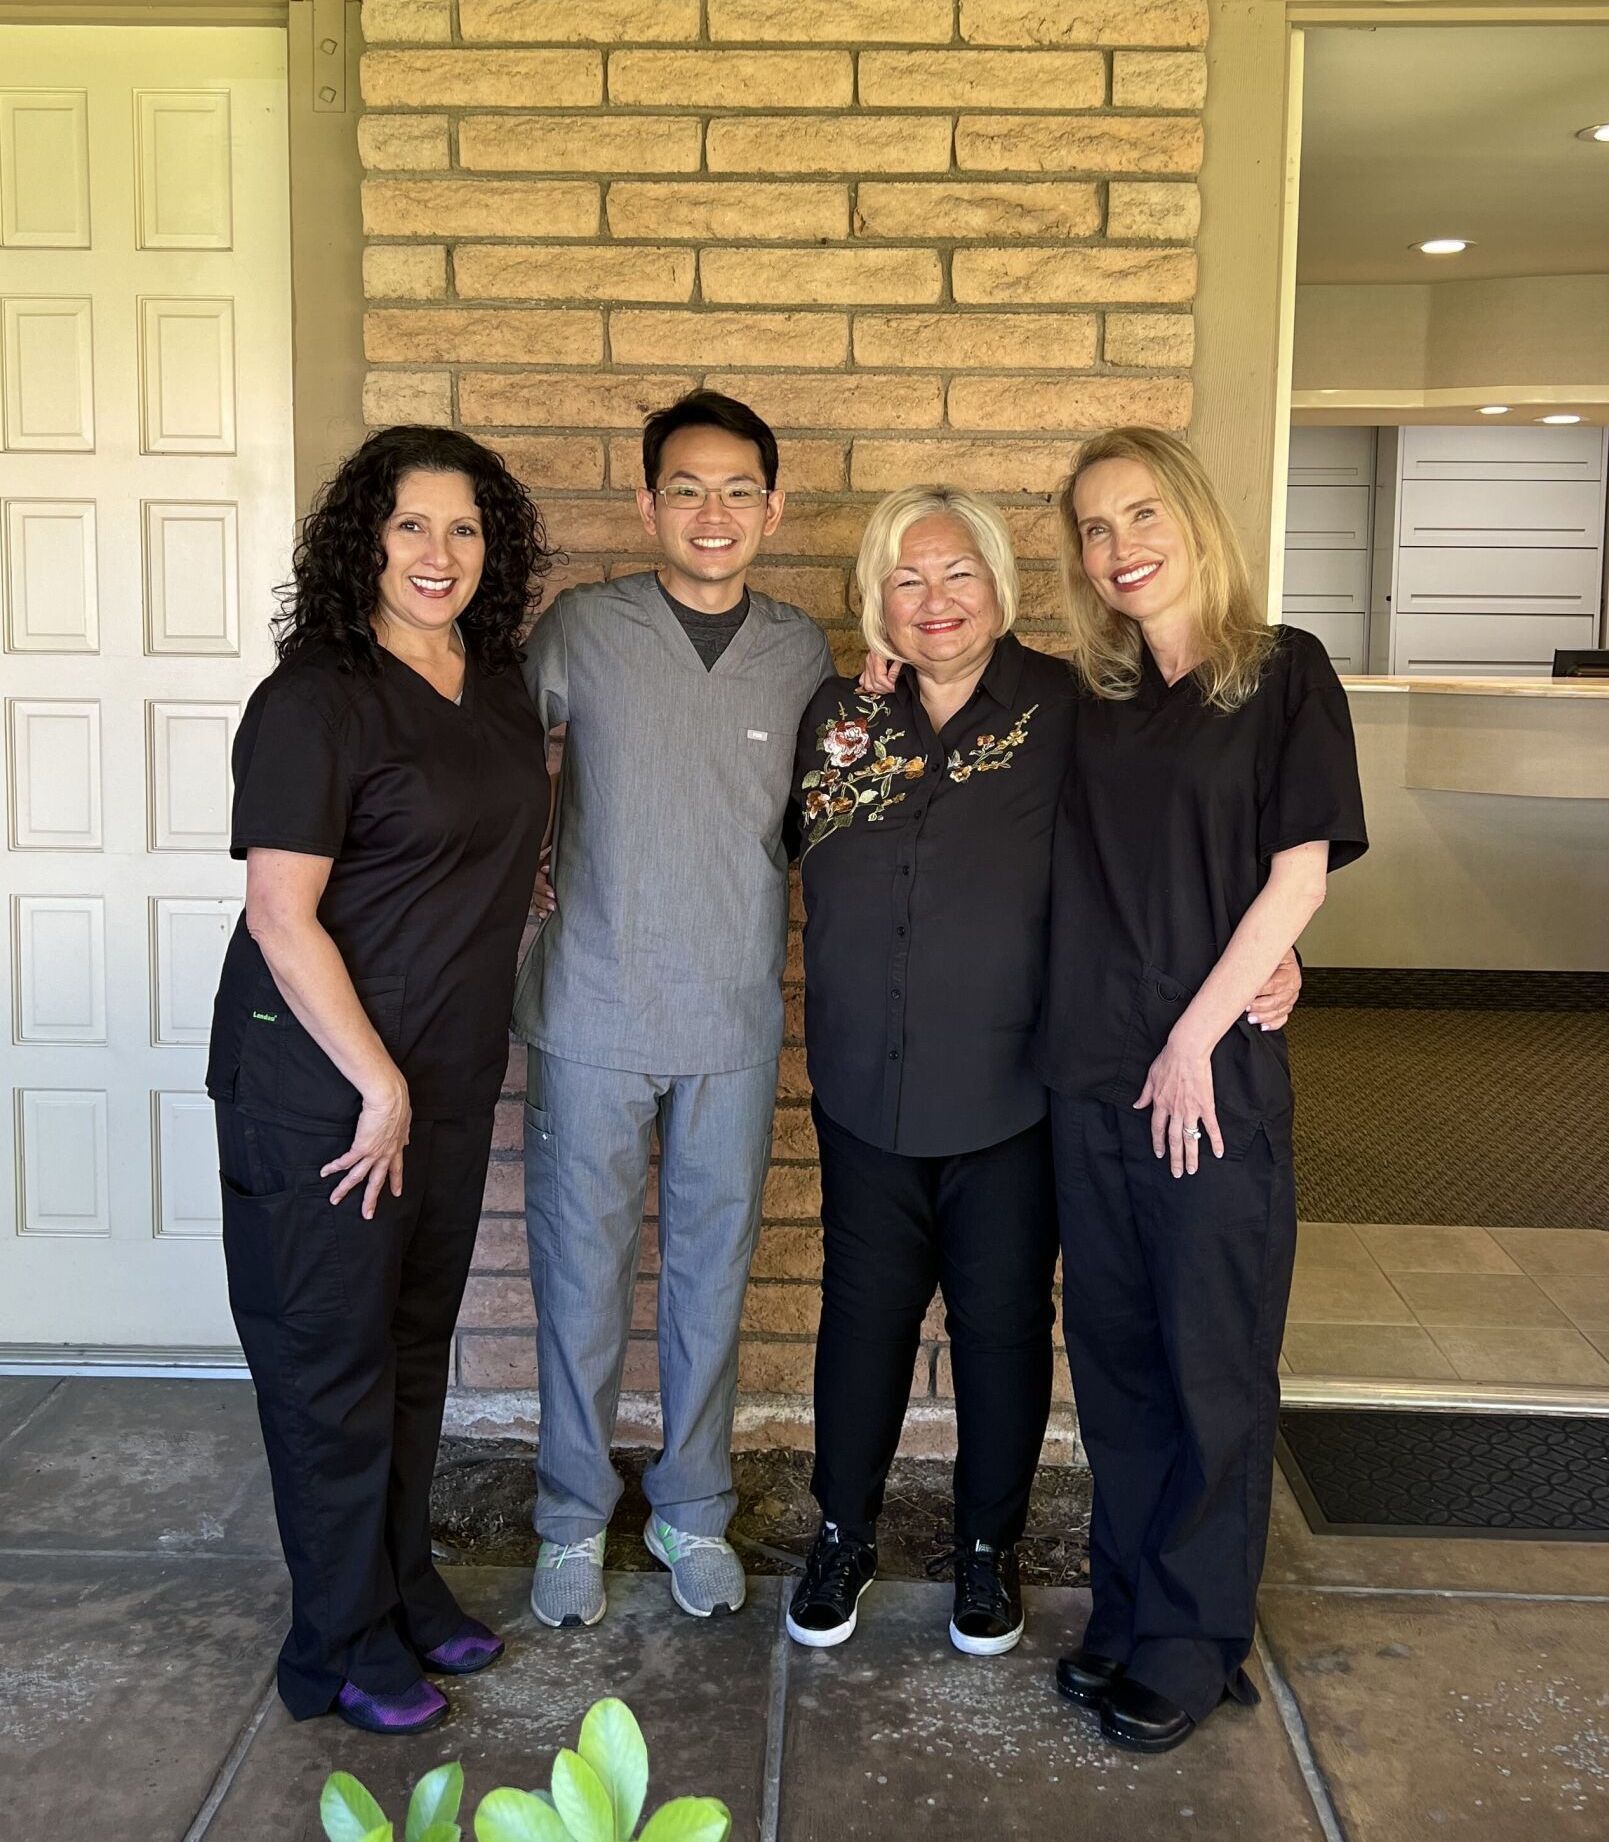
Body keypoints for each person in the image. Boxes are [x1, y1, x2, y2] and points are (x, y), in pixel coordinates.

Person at [783, 488, 1303, 1660]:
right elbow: (745, 834)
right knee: (860, 1321)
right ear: (876, 597)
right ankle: (843, 1533)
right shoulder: (834, 714)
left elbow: (1184, 837)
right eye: (907, 579)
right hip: (865, 1082)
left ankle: (985, 1550)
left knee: (1003, 1326)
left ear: (1001, 588)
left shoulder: (1075, 707)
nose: (935, 601)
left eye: (958, 574)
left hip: (1017, 1089)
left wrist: (1282, 952)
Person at [206, 427, 552, 1735]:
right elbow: (283, 915)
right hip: (327, 1088)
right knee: (329, 1362)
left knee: (411, 1348)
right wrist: (376, 1083)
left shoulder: (494, 679)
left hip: (445, 1071)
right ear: (366, 536)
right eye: (412, 524)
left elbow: (485, 828)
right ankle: (338, 1639)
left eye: (464, 528)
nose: (439, 553)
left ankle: (401, 1584)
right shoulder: (315, 698)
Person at [1038, 428, 1367, 1753]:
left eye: (1140, 512)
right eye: (1093, 529)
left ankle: (1193, 1635)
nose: (1120, 546)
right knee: (1115, 1366)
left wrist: (1200, 1030)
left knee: (1209, 1365)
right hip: (1086, 1079)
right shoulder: (1090, 701)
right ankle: (1125, 1609)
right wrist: (891, 662)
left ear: (1194, 515)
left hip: (1206, 1079)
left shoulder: (1281, 673)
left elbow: (1297, 876)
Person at [516, 390, 834, 1629]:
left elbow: (839, 814)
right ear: (646, 503)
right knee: (578, 1277)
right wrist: (516, 858)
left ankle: (692, 1509)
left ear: (773, 506)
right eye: (686, 490)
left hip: (730, 1017)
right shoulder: (581, 629)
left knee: (711, 1276)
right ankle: (568, 1519)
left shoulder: (801, 651)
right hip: (588, 1007)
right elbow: (489, 754)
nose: (713, 513)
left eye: (738, 491)